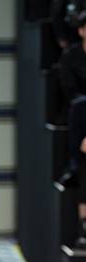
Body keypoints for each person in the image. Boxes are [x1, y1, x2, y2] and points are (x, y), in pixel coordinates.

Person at [56, 9, 86, 247]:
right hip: (78, 112)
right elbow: (70, 90)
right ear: (81, 30)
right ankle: (74, 165)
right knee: (79, 106)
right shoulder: (71, 56)